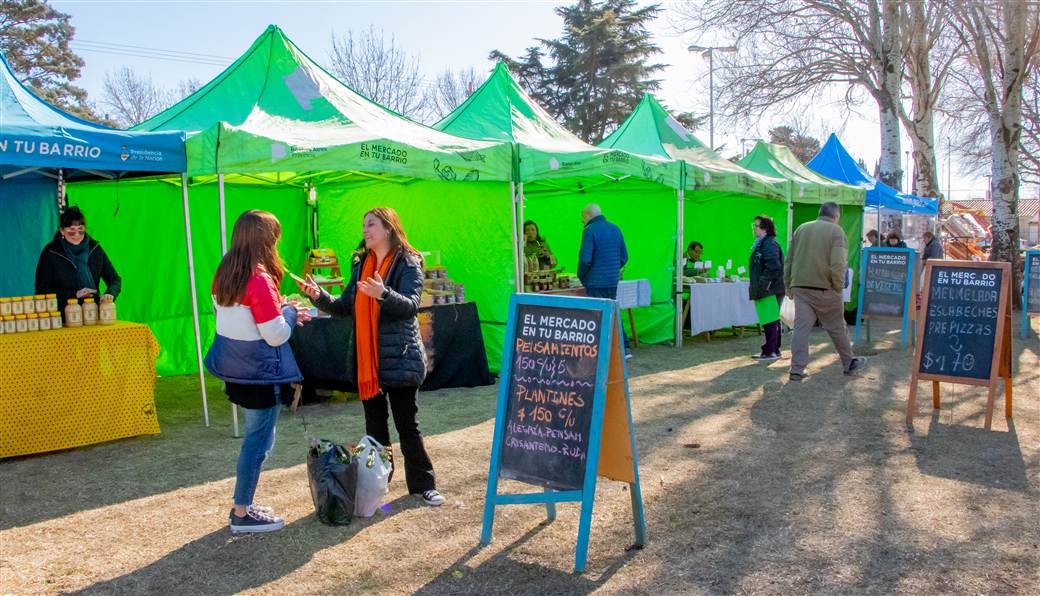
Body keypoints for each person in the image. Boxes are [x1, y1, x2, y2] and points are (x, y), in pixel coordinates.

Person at [298, 207, 445, 507]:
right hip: (367, 359)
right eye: (364, 225)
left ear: (389, 228)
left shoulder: (408, 262)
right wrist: (319, 297)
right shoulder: (360, 262)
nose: (365, 230)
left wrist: (383, 294)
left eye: (372, 224)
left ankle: (424, 484)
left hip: (399, 356)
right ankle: (378, 484)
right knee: (375, 428)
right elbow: (346, 306)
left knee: (407, 426)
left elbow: (411, 306)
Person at [203, 210, 311, 533]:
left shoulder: (225, 272)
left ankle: (244, 502)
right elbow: (275, 334)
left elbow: (236, 318)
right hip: (258, 373)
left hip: (235, 369)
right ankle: (241, 511)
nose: (277, 244)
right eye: (274, 238)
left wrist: (280, 312)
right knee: (258, 442)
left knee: (258, 438)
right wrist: (290, 313)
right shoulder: (258, 278)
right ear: (264, 241)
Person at [783, 202, 865, 382]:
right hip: (826, 288)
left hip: (801, 287)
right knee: (837, 327)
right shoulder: (837, 232)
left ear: (820, 213)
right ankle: (848, 362)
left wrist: (788, 285)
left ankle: (796, 370)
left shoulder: (801, 229)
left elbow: (789, 259)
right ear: (836, 217)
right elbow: (838, 263)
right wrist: (838, 286)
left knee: (801, 330)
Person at [35, 206, 122, 310]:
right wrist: (74, 294)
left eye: (80, 229)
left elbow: (114, 279)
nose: (76, 234)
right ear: (62, 231)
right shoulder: (51, 252)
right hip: (61, 316)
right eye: (71, 230)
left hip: (93, 312)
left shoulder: (95, 248)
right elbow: (42, 289)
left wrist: (110, 294)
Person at [578, 204, 631, 356]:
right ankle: (624, 347)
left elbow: (585, 259)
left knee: (595, 316)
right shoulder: (615, 228)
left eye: (582, 217)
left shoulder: (589, 231)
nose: (582, 221)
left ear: (588, 215)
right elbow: (624, 257)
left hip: (595, 281)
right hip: (612, 281)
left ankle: (597, 351)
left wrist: (583, 277)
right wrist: (613, 270)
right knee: (613, 313)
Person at [749, 216, 785, 361]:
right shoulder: (763, 243)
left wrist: (764, 284)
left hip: (770, 289)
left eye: (756, 225)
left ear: (765, 228)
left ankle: (770, 351)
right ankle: (773, 349)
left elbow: (774, 267)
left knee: (770, 321)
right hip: (768, 288)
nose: (754, 228)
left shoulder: (768, 244)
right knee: (771, 320)